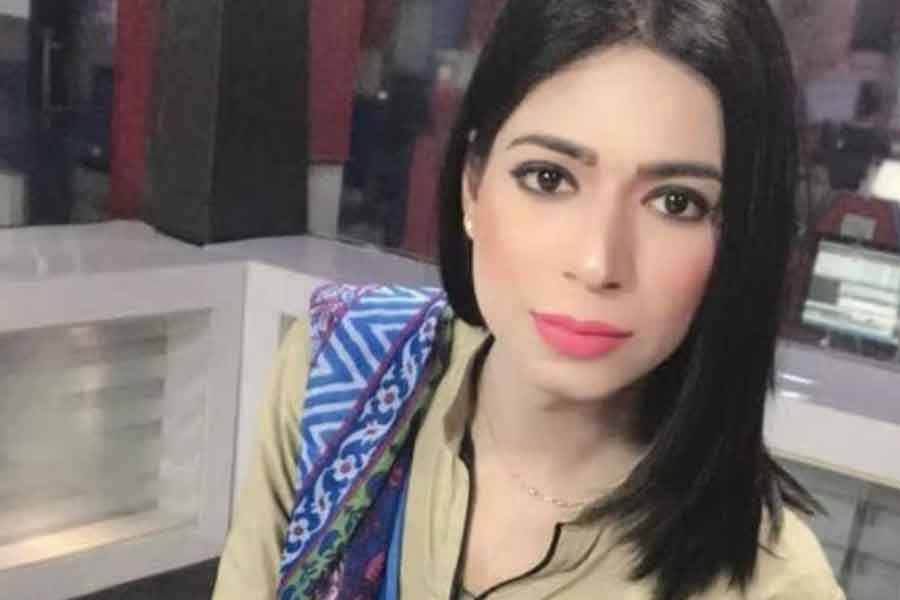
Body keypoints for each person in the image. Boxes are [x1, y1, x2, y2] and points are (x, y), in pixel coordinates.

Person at [213, 1, 845, 598]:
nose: (597, 263)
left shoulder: (771, 583)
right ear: (473, 186)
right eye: (549, 177)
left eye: (675, 202)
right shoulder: (341, 370)